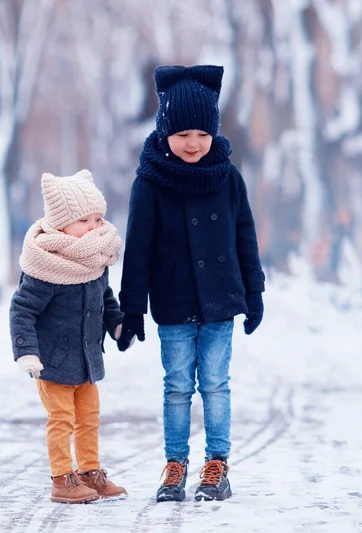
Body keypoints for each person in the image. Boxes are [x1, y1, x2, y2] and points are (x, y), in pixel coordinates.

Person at [118, 65, 266, 503]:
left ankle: (217, 463)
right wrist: (132, 308)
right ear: (165, 132)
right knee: (178, 384)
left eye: (202, 133)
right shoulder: (150, 182)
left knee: (216, 383)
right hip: (174, 301)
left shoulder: (227, 177)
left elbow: (245, 236)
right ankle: (175, 464)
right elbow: (138, 248)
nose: (193, 143)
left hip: (220, 299)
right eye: (183, 134)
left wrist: (254, 292)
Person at [9, 170, 130, 504]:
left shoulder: (94, 260)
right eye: (83, 220)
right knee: (61, 420)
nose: (94, 227)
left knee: (89, 419)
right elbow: (22, 309)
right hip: (52, 361)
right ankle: (62, 479)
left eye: (98, 218)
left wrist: (117, 326)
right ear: (61, 224)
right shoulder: (46, 265)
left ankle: (90, 473)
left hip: (88, 360)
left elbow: (105, 299)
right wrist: (26, 352)